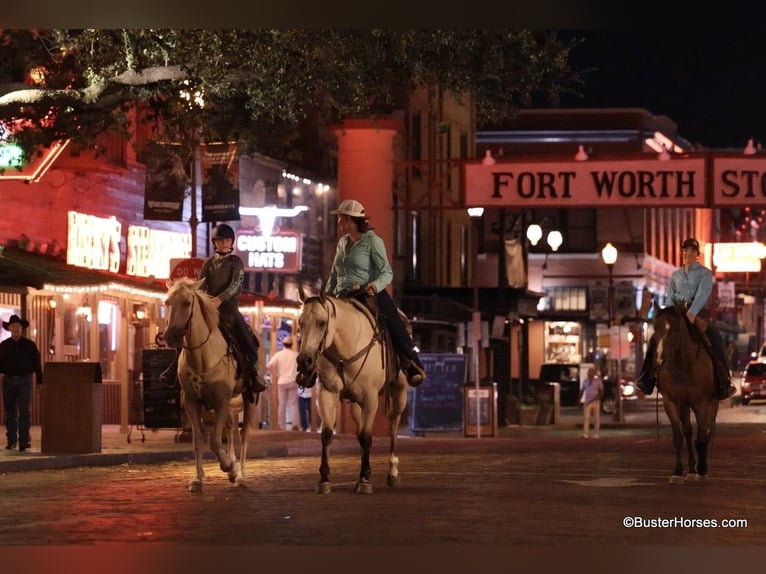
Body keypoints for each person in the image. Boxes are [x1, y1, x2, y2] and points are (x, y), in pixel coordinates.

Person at [325, 199, 426, 387]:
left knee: (394, 322)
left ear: (349, 220)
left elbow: (386, 272)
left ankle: (411, 364)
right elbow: (334, 273)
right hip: (342, 295)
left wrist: (375, 285)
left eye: (340, 218)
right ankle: (313, 369)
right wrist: (325, 296)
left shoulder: (373, 241)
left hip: (367, 292)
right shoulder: (342, 243)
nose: (338, 222)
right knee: (321, 325)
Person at [160, 223, 266, 402]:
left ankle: (253, 374)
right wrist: (203, 300)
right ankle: (175, 370)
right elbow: (201, 284)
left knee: (248, 338)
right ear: (214, 243)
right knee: (187, 333)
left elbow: (235, 285)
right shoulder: (208, 264)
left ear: (231, 242)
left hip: (230, 310)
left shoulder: (236, 263)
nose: (223, 243)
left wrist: (220, 299)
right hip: (209, 309)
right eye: (219, 240)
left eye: (226, 240)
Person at [636, 237, 736, 400]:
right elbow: (670, 297)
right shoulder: (676, 275)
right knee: (657, 338)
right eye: (686, 251)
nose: (688, 254)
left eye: (692, 251)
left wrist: (692, 312)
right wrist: (667, 312)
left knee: (715, 337)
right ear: (682, 253)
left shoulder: (705, 274)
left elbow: (702, 295)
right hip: (677, 314)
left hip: (698, 314)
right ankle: (646, 378)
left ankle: (724, 381)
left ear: (697, 254)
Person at [0, 315, 43, 452]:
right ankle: (11, 440)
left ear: (22, 328)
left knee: (24, 411)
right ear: (10, 328)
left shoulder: (30, 345)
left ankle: (24, 440)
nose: (16, 329)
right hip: (8, 379)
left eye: (18, 326)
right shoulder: (4, 346)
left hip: (25, 379)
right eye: (13, 326)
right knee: (10, 412)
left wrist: (40, 381)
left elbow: (37, 364)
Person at [267, 335, 300, 431]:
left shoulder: (279, 354)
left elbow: (270, 365)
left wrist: (276, 374)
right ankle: (295, 425)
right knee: (294, 404)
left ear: (283, 344)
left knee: (282, 404)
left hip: (282, 381)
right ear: (292, 344)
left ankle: (281, 426)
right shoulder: (296, 355)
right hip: (293, 381)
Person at [578, 367, 603, 439]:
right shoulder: (585, 381)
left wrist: (596, 398)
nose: (590, 376)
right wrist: (579, 400)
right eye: (589, 375)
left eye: (591, 375)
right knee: (586, 418)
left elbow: (601, 392)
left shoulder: (598, 381)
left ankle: (596, 433)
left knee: (596, 418)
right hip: (587, 401)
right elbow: (582, 391)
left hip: (596, 401)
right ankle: (585, 433)